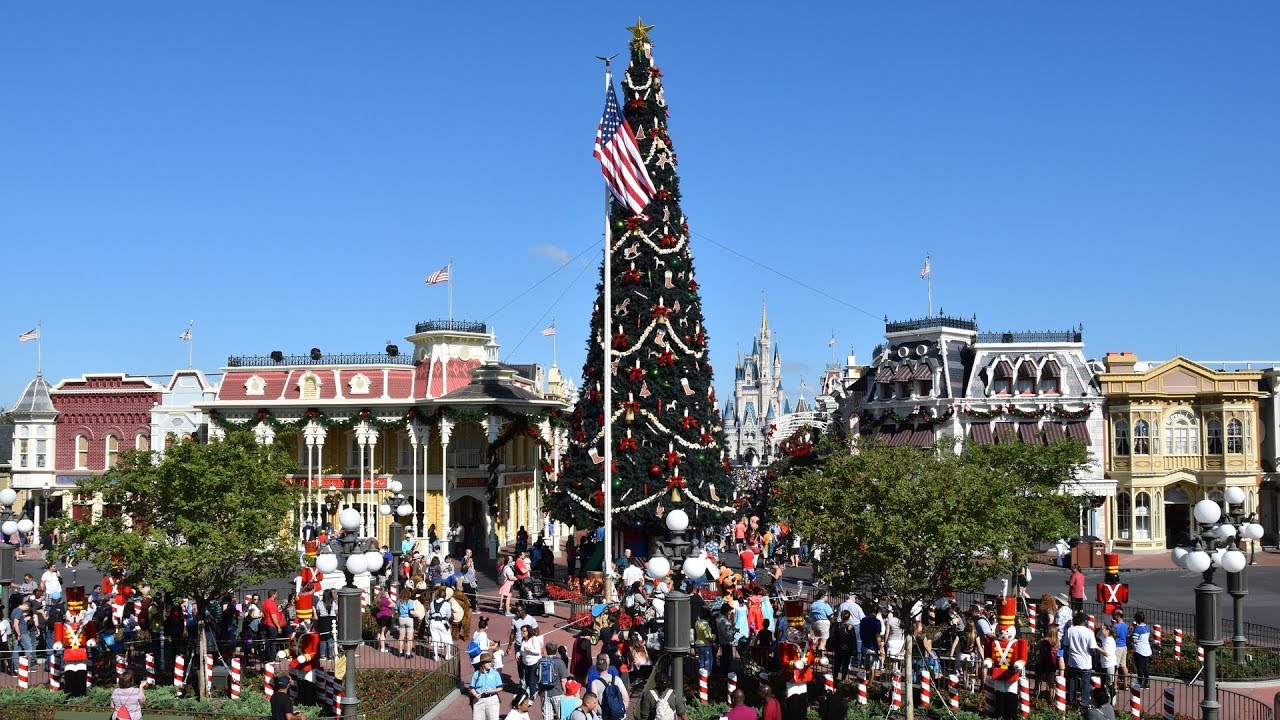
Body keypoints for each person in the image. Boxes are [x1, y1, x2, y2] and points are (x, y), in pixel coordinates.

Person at [1064, 611, 1099, 708]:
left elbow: (1066, 644)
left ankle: (1071, 701)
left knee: (1072, 682)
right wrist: (1094, 656)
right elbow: (1092, 649)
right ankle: (1085, 703)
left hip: (1073, 661)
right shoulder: (1089, 632)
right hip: (1085, 662)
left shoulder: (1071, 630)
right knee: (1085, 684)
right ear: (1084, 621)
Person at [536, 640, 570, 720]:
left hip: (544, 693)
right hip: (557, 693)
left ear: (546, 650)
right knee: (561, 716)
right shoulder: (560, 662)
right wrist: (566, 693)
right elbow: (563, 680)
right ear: (556, 650)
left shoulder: (540, 661)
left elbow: (537, 677)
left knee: (547, 717)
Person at [468, 652, 503, 720]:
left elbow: (500, 687)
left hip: (492, 700)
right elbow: (472, 687)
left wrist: (492, 691)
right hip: (479, 700)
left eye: (490, 661)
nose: (490, 663)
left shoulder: (495, 674)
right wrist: (475, 694)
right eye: (487, 662)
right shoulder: (476, 674)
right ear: (482, 664)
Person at [1034, 624, 1063, 703]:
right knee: (1051, 684)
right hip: (1051, 664)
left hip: (1041, 663)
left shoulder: (1043, 641)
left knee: (1038, 683)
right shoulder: (1057, 643)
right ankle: (1051, 701)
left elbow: (1036, 648)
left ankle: (1036, 698)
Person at [1130, 611, 1152, 689]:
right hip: (1147, 650)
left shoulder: (1137, 629)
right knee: (1145, 667)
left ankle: (1140, 683)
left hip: (1139, 650)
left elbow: (1134, 640)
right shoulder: (1147, 627)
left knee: (1139, 667)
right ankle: (1146, 683)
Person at [1111, 610, 1129, 688]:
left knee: (1116, 667)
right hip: (1124, 646)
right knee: (1124, 666)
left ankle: (1115, 685)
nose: (1113, 616)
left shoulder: (1116, 626)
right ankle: (1125, 684)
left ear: (1118, 616)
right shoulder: (1126, 625)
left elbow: (1113, 636)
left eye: (1114, 615)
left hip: (1117, 647)